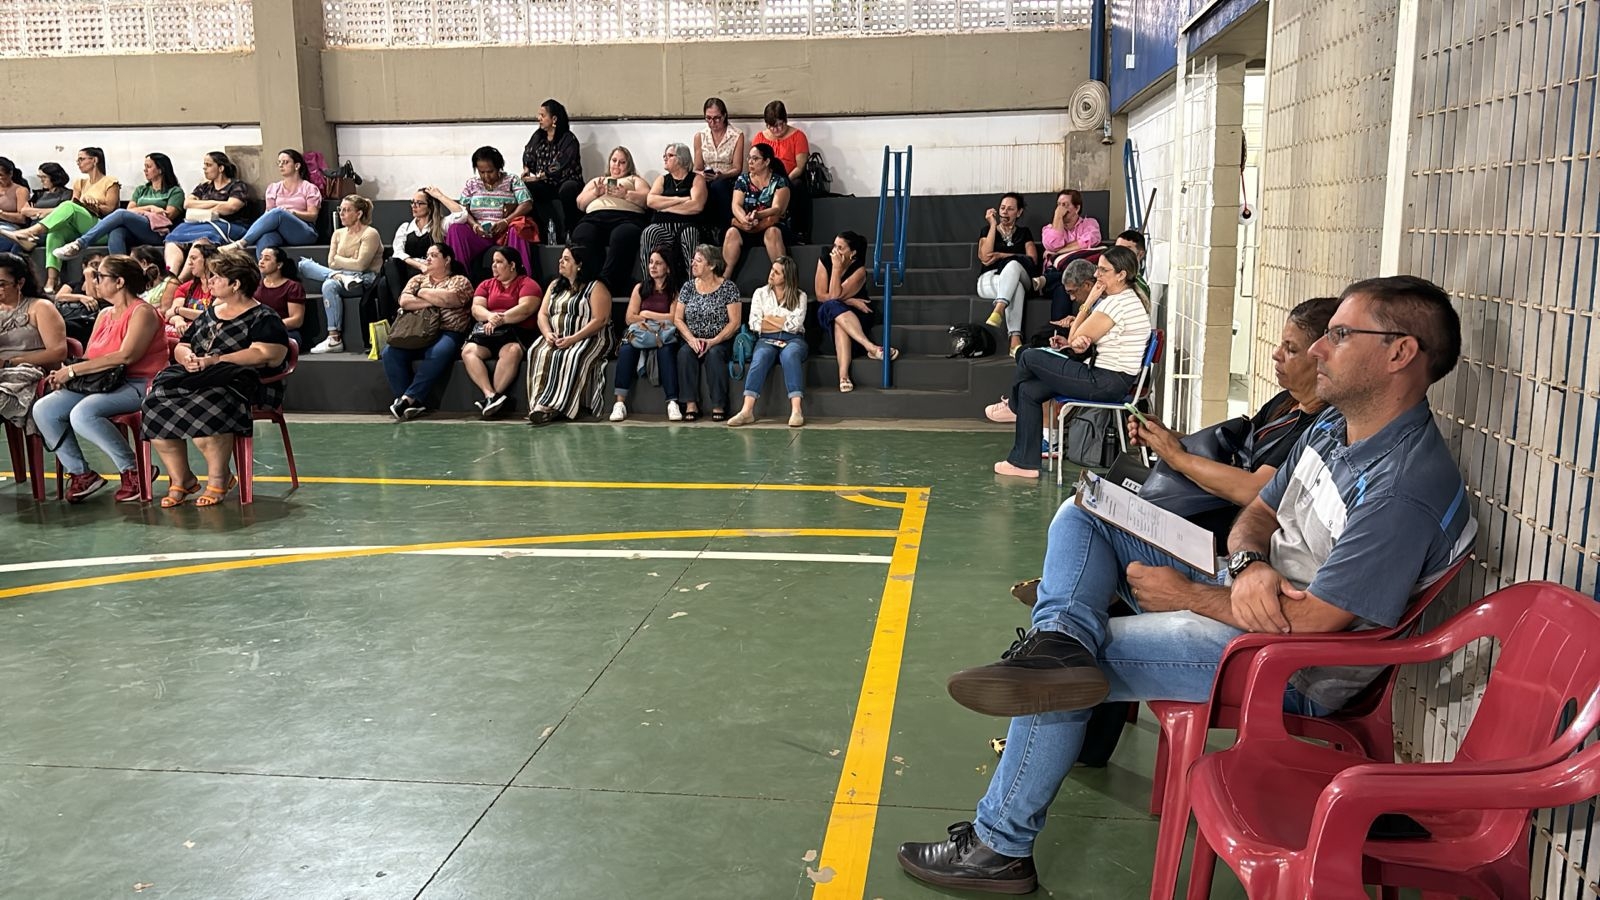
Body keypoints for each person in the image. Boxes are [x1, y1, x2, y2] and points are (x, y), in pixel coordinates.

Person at [897, 276, 1475, 896]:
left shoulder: (1401, 489)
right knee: (1088, 511)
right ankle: (1061, 633)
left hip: (1290, 660)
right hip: (1249, 591)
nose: (1317, 350)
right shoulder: (1337, 427)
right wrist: (1249, 564)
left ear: (1399, 353)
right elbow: (1261, 510)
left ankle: (999, 846)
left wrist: (1188, 596)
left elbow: (1316, 622)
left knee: (1061, 674)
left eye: (1338, 335)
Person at [987, 246, 1151, 480]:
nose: (1097, 275)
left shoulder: (1117, 304)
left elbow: (1075, 336)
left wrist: (1088, 303)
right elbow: (1080, 342)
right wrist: (1077, 342)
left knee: (1028, 355)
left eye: (1103, 270)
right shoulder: (1124, 299)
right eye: (1098, 269)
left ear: (1121, 275)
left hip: (1105, 381)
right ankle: (1023, 463)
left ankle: (1013, 408)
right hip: (1106, 377)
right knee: (1029, 390)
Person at [142, 249, 289, 508]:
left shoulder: (264, 317)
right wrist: (187, 356)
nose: (210, 282)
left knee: (208, 403)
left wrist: (215, 360)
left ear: (236, 284)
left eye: (217, 277)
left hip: (241, 383)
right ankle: (182, 478)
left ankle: (219, 479)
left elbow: (267, 354)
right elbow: (183, 344)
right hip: (199, 376)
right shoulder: (211, 312)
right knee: (155, 403)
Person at [31, 255, 168, 503]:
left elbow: (126, 356)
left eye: (99, 276)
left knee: (83, 413)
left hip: (140, 384)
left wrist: (72, 372)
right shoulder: (105, 314)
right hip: (105, 383)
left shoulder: (143, 312)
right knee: (44, 408)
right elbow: (90, 356)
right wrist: (66, 375)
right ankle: (81, 474)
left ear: (119, 282)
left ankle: (134, 471)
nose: (94, 281)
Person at [4, 148, 122, 292]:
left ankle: (30, 232)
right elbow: (74, 207)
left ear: (94, 160)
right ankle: (52, 280)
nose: (78, 162)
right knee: (55, 232)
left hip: (102, 228)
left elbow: (111, 210)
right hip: (81, 226)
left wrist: (95, 205)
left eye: (81, 159)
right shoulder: (80, 183)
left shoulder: (110, 181)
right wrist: (83, 204)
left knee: (68, 205)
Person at [383, 242, 474, 421]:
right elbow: (404, 301)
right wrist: (434, 301)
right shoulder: (417, 279)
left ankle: (409, 398)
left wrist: (422, 292)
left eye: (434, 255)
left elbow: (450, 299)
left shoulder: (460, 281)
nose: (428, 259)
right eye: (427, 256)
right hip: (418, 331)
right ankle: (408, 402)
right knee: (390, 352)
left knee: (439, 352)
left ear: (447, 260)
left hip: (447, 331)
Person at [525, 247, 611, 426]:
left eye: (566, 259)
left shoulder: (596, 287)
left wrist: (573, 339)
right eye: (561, 258)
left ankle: (557, 406)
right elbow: (542, 314)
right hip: (558, 336)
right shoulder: (554, 285)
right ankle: (538, 405)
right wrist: (547, 333)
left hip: (590, 337)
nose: (560, 262)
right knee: (537, 351)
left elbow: (600, 319)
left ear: (579, 265)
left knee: (571, 355)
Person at [434, 147, 536, 284]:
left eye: (490, 171)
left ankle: (521, 282)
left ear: (499, 168)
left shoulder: (512, 180)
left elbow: (527, 204)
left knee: (518, 228)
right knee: (456, 229)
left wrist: (506, 221)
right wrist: (474, 225)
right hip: (479, 233)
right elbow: (463, 210)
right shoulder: (472, 184)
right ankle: (459, 281)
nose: (486, 176)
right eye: (482, 172)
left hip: (504, 232)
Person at [462, 247, 542, 418]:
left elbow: (526, 309)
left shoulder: (528, 284)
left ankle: (495, 396)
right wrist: (490, 316)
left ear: (512, 265)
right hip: (489, 331)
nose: (494, 266)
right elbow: (476, 309)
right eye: (493, 262)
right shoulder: (486, 284)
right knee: (468, 351)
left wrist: (501, 318)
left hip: (516, 332)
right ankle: (490, 395)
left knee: (512, 351)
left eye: (499, 262)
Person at [729, 255, 809, 428]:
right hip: (766, 339)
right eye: (772, 270)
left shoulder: (800, 296)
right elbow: (755, 323)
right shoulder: (760, 293)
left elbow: (795, 325)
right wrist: (781, 322)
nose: (771, 274)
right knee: (760, 357)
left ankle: (796, 410)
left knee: (790, 355)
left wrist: (769, 320)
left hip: (793, 339)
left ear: (787, 277)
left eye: (777, 272)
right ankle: (747, 411)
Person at [57, 153, 185, 258]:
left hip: (157, 233)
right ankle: (120, 268)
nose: (145, 170)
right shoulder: (141, 189)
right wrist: (149, 208)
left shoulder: (175, 191)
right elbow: (130, 209)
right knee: (116, 231)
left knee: (120, 214)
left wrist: (139, 211)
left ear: (160, 169)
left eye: (149, 166)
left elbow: (168, 215)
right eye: (144, 166)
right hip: (136, 229)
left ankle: (80, 243)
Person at [609, 247, 685, 423]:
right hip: (641, 333)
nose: (653, 266)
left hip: (663, 335)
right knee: (626, 349)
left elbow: (674, 318)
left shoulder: (674, 291)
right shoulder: (640, 288)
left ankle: (672, 402)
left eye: (658, 263)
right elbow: (630, 317)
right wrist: (652, 319)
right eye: (651, 262)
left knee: (666, 351)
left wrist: (647, 314)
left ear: (667, 267)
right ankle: (619, 403)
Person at [814, 230, 894, 393]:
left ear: (852, 253)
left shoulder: (859, 271)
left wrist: (837, 270)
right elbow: (822, 296)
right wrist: (849, 299)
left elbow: (834, 296)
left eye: (840, 248)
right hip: (828, 310)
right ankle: (871, 347)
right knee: (833, 308)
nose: (835, 251)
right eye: (834, 246)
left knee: (839, 321)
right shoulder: (825, 259)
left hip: (855, 315)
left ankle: (843, 376)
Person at [302, 195, 383, 354]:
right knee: (304, 265)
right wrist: (347, 263)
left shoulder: (370, 233)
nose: (341, 213)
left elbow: (361, 265)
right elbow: (331, 263)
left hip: (364, 279)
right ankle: (334, 338)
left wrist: (339, 259)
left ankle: (334, 338)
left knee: (328, 283)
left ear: (358, 214)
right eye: (340, 209)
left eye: (346, 210)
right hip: (343, 275)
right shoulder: (338, 234)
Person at [672, 244, 741, 422]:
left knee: (715, 354)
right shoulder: (688, 287)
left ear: (712, 265)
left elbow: (734, 322)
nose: (693, 264)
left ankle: (719, 405)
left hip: (720, 340)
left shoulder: (728, 288)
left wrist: (713, 341)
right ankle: (690, 404)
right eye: (693, 260)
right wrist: (691, 339)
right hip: (693, 339)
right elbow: (677, 319)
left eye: (698, 261)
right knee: (684, 353)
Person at [0, 253, 69, 430]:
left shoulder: (40, 307)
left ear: (20, 283)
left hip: (31, 373)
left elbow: (58, 352)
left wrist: (9, 362)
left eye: (1, 284)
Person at [570, 147, 651, 296]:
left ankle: (607, 284)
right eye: (614, 161)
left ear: (629, 165)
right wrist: (595, 193)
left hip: (626, 218)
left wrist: (626, 194)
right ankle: (588, 282)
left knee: (622, 235)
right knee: (582, 234)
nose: (616, 165)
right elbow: (580, 203)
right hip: (595, 218)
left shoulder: (634, 179)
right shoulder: (598, 180)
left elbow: (647, 200)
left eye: (622, 162)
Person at [160, 151, 251, 276]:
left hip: (228, 224)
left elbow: (230, 207)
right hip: (199, 222)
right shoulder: (204, 187)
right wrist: (215, 204)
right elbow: (187, 203)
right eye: (204, 165)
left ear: (221, 168)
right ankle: (171, 275)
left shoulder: (237, 186)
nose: (204, 168)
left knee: (201, 242)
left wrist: (201, 205)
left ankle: (181, 279)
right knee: (173, 238)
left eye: (208, 165)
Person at [224, 150, 322, 257]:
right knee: (265, 238)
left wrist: (292, 213)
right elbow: (268, 213)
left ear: (297, 166)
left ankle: (241, 243)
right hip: (279, 231)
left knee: (278, 212)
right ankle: (262, 267)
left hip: (304, 231)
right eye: (279, 162)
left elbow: (313, 215)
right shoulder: (274, 188)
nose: (281, 165)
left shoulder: (309, 188)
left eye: (285, 162)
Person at [977, 193, 1040, 356]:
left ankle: (999, 307)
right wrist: (992, 225)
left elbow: (1032, 259)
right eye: (1002, 208)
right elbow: (985, 257)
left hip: (1021, 274)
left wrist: (1002, 256)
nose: (1005, 212)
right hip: (991, 279)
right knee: (1015, 287)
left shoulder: (1024, 233)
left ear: (1018, 212)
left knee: (1012, 265)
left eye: (1010, 209)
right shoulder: (987, 230)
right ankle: (1015, 339)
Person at [721, 143, 791, 279]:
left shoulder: (779, 181)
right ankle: (724, 280)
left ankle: (784, 278)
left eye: (755, 159)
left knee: (772, 232)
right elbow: (736, 205)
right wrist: (745, 220)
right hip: (747, 226)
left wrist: (757, 215)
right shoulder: (743, 180)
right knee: (731, 232)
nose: (750, 162)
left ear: (766, 161)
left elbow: (777, 209)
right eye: (749, 158)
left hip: (770, 224)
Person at [521, 99, 584, 243]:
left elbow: (560, 164)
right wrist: (527, 169)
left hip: (566, 180)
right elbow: (528, 153)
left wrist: (539, 177)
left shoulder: (568, 139)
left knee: (567, 189)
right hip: (546, 183)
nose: (539, 118)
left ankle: (569, 230)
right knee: (527, 187)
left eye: (542, 115)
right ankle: (546, 228)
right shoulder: (538, 136)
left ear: (554, 119)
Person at [641, 143, 707, 273]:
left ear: (682, 158)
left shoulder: (696, 179)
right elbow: (651, 201)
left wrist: (664, 207)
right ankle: (648, 281)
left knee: (689, 233)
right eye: (664, 156)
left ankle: (692, 282)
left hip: (686, 225)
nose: (665, 158)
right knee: (649, 232)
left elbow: (696, 206)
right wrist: (679, 200)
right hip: (662, 226)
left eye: (670, 155)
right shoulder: (662, 179)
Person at [752, 100, 811, 242]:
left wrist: (783, 182)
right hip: (765, 180)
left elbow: (800, 167)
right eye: (772, 126)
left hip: (789, 178)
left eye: (780, 125)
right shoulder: (760, 138)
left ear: (785, 120)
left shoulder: (798, 136)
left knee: (798, 185)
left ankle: (800, 232)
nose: (777, 130)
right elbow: (754, 164)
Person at [384, 189, 447, 317]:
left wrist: (440, 196)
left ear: (430, 206)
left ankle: (401, 308)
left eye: (419, 203)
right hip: (409, 267)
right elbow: (398, 253)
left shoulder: (441, 225)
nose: (414, 206)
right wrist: (419, 265)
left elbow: (461, 215)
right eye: (412, 202)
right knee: (390, 265)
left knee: (383, 284)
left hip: (429, 269)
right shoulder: (406, 227)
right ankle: (401, 306)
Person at [693, 97, 744, 230]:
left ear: (724, 116)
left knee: (718, 186)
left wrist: (722, 175)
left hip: (727, 178)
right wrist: (703, 174)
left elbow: (737, 168)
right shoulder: (700, 136)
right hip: (706, 177)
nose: (712, 123)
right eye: (708, 118)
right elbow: (697, 168)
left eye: (717, 118)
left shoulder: (736, 135)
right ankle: (702, 230)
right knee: (699, 187)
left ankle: (724, 228)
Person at [164, 241, 220, 340]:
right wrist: (178, 320)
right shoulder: (185, 287)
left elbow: (212, 316)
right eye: (189, 259)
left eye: (193, 258)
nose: (189, 263)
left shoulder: (221, 287)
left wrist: (179, 310)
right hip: (186, 330)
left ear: (208, 260)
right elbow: (170, 314)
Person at [254, 247, 307, 346]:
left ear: (279, 265)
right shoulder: (255, 284)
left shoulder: (292, 287)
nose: (261, 261)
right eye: (260, 258)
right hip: (257, 330)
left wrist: (270, 327)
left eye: (267, 259)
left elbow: (297, 320)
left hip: (284, 330)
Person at [1040, 189, 1101, 270]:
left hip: (1081, 269)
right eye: (1059, 205)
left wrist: (1059, 251)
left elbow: (1089, 240)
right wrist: (1058, 217)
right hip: (1056, 270)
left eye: (1065, 205)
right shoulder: (1048, 229)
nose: (1060, 209)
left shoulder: (1089, 223)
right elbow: (1053, 246)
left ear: (1077, 208)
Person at [131, 245, 179, 312]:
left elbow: (164, 310)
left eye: (132, 263)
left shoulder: (171, 283)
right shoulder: (138, 283)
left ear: (144, 263)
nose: (130, 266)